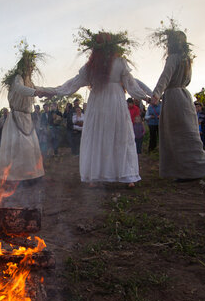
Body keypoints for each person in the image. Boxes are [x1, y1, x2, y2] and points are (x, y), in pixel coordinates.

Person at [37, 28, 148, 187]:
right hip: (114, 101)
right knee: (119, 135)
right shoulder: (111, 64)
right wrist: (147, 98)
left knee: (100, 136)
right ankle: (125, 176)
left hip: (100, 103)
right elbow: (131, 85)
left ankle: (100, 176)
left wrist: (52, 92)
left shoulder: (94, 66)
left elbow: (71, 85)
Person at [149, 24, 205, 180]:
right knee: (187, 132)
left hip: (172, 97)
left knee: (176, 134)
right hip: (185, 96)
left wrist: (156, 94)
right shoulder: (187, 59)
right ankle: (194, 168)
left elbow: (165, 76)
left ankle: (185, 170)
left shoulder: (173, 58)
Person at [0, 43, 46, 181]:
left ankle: (31, 175)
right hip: (16, 118)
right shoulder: (17, 78)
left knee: (30, 148)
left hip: (26, 118)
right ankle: (15, 177)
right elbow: (20, 89)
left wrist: (53, 91)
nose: (32, 69)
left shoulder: (28, 81)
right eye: (30, 67)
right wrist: (36, 92)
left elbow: (38, 88)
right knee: (18, 148)